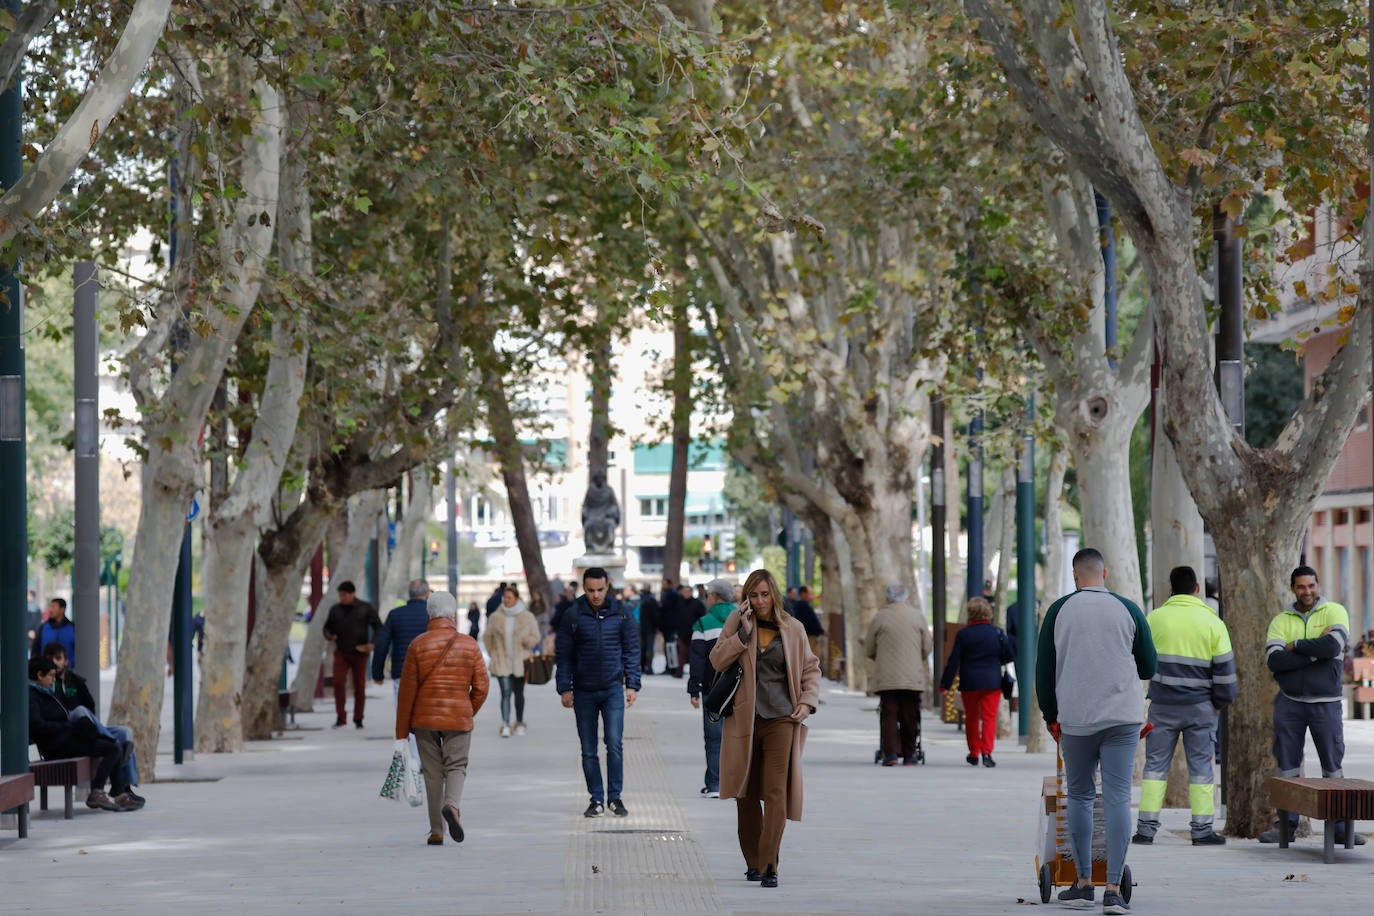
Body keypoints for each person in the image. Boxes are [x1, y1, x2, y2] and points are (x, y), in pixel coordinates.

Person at [1036, 548, 1155, 915]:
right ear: (1105, 574)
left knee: (1081, 795)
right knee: (1118, 796)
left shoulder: (1059, 610)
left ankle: (1084, 883)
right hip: (1122, 718)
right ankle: (1115, 890)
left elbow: (1044, 670)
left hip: (1076, 719)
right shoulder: (1129, 608)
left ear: (1075, 576)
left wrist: (1050, 717)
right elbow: (1148, 664)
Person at [709, 568, 820, 888]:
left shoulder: (793, 628)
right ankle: (753, 862)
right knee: (745, 793)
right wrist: (742, 634)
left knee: (775, 792)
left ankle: (770, 864)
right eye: (752, 595)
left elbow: (811, 669)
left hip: (783, 718)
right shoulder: (736, 623)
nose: (758, 601)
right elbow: (717, 660)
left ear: (774, 594)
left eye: (764, 595)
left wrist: (807, 701)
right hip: (744, 718)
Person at [1260, 565, 1365, 845]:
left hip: (1326, 705)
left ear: (1318, 585)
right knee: (1287, 769)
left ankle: (1343, 830)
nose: (1307, 591)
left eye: (1311, 586)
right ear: (1293, 588)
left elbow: (1333, 648)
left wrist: (1295, 646)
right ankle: (1286, 827)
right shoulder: (1281, 620)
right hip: (1289, 704)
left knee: (1333, 768)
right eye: (1301, 587)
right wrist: (1313, 653)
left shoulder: (1335, 611)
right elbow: (1275, 661)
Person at [1132, 565, 1234, 846]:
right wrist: (1218, 703)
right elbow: (1225, 671)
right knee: (1201, 767)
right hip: (1200, 707)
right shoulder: (1213, 622)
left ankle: (1145, 829)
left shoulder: (1155, 618)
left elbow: (1139, 660)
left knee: (1154, 767)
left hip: (1162, 706)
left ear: (1171, 589)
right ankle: (1201, 830)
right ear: (1197, 589)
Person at [395, 590, 489, 846]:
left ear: (430, 614)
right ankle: (452, 805)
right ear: (452, 615)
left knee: (433, 773)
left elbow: (406, 692)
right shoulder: (469, 644)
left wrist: (401, 732)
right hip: (458, 718)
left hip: (424, 721)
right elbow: (482, 686)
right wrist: (468, 710)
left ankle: (437, 830)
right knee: (456, 766)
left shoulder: (418, 644)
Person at [556, 567, 640, 818]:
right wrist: (564, 688)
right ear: (584, 587)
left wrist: (632, 684)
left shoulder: (621, 614)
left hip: (613, 689)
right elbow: (564, 656)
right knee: (588, 749)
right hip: (583, 692)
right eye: (591, 590)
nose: (595, 595)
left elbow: (632, 650)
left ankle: (615, 797)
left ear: (608, 586)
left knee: (614, 744)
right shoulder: (572, 615)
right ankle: (596, 799)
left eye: (600, 590)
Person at [28, 656, 138, 811]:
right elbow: (37, 725)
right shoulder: (33, 696)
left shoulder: (46, 692)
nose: (54, 680)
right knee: (113, 748)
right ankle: (99, 792)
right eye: (51, 676)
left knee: (112, 745)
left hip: (67, 739)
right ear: (39, 675)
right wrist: (67, 726)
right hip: (57, 746)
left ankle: (117, 793)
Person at [938, 596, 1013, 766]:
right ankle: (987, 753)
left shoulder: (963, 634)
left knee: (971, 717)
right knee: (989, 717)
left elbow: (953, 660)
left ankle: (973, 752)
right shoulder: (997, 633)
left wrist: (945, 684)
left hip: (969, 682)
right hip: (992, 682)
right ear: (988, 612)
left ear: (970, 613)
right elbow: (1009, 655)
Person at [864, 584, 932, 766]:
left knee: (889, 714)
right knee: (910, 714)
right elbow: (927, 646)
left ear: (888, 598)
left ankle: (891, 754)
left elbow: (869, 647)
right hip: (912, 676)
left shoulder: (880, 617)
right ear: (906, 597)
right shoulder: (917, 616)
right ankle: (910, 754)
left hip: (887, 676)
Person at [373, 579, 433, 761]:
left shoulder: (395, 615)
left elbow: (382, 644)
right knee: (428, 715)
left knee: (406, 717)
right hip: (430, 674)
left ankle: (414, 759)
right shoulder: (432, 615)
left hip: (402, 674)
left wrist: (378, 672)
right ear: (427, 594)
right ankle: (427, 757)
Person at [688, 578, 736, 798]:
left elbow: (697, 659)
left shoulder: (703, 623)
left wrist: (694, 688)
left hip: (712, 689)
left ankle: (715, 784)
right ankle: (736, 783)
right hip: (740, 690)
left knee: (714, 738)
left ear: (714, 597)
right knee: (738, 738)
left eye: (708, 595)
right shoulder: (743, 619)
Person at [322, 581, 382, 729]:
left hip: (360, 652)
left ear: (352, 594)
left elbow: (378, 626)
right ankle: (341, 717)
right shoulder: (335, 609)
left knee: (359, 686)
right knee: (338, 683)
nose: (341, 598)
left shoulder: (364, 607)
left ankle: (358, 718)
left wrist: (373, 643)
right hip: (341, 652)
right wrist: (330, 636)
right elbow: (326, 628)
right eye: (340, 595)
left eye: (344, 595)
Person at [483, 584, 539, 737]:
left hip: (520, 661)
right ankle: (505, 724)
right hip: (502, 661)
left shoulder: (527, 616)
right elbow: (487, 637)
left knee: (519, 693)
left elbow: (536, 636)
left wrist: (529, 641)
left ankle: (519, 722)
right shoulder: (496, 617)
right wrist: (492, 653)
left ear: (516, 599)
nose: (505, 600)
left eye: (508, 598)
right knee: (505, 693)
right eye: (504, 598)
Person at [32, 597, 75, 662]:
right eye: (50, 606)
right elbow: (36, 648)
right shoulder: (44, 627)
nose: (50, 609)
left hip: (68, 669)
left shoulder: (72, 627)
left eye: (53, 607)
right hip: (46, 668)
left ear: (62, 609)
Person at [659, 579, 685, 678]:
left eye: (664, 584)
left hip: (671, 625)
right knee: (669, 647)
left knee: (671, 647)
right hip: (667, 625)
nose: (663, 585)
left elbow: (665, 607)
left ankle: (672, 667)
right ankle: (670, 666)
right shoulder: (668, 594)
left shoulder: (672, 595)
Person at [678, 584, 706, 674]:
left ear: (691, 592)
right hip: (682, 633)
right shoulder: (679, 602)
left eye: (687, 591)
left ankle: (694, 672)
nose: (685, 593)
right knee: (681, 652)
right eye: (684, 591)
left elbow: (702, 617)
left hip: (694, 632)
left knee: (693, 654)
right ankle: (679, 671)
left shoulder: (697, 603)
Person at [790, 586, 825, 656]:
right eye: (810, 594)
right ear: (803, 594)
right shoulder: (802, 606)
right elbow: (809, 622)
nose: (811, 597)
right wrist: (821, 631)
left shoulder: (800, 605)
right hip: (808, 638)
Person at [637, 586, 660, 673]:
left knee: (642, 648)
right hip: (650, 628)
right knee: (650, 649)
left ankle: (642, 667)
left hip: (641, 627)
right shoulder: (652, 600)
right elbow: (656, 615)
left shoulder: (641, 600)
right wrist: (657, 626)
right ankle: (649, 668)